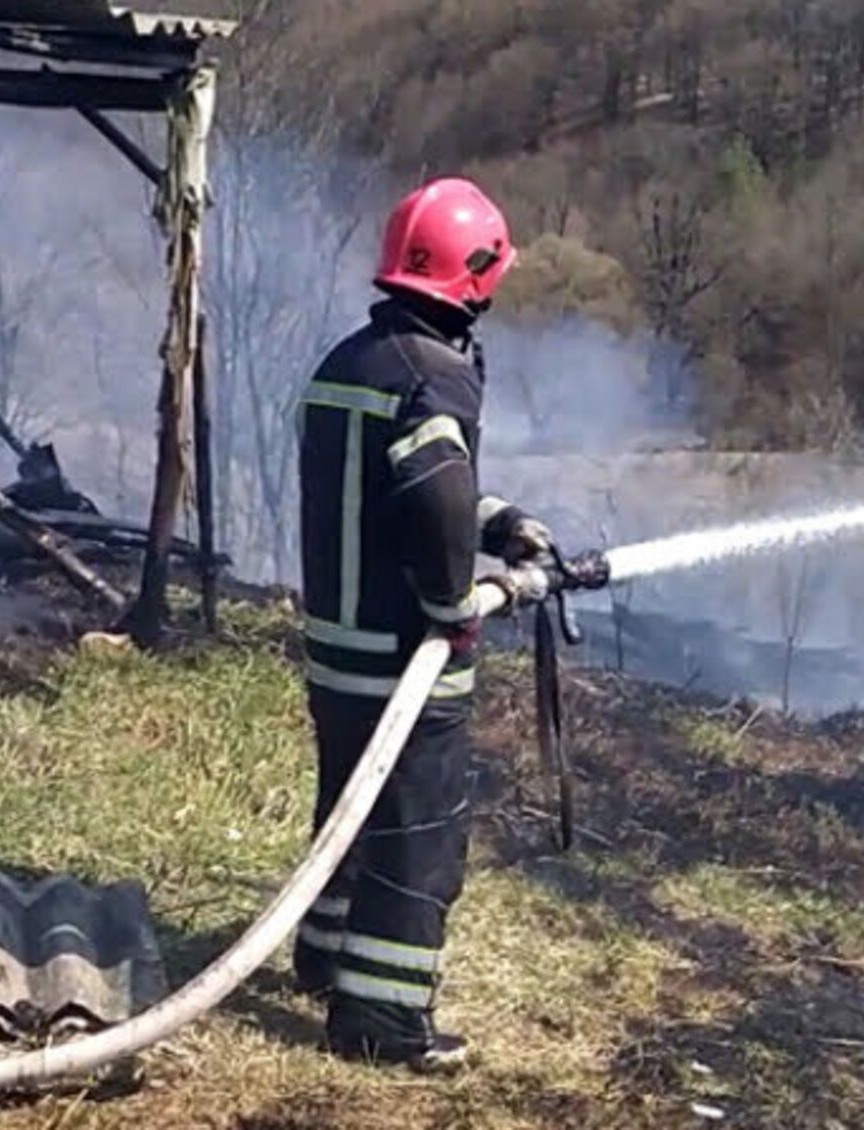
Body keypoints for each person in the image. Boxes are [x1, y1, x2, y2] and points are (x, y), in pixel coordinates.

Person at [292, 175, 554, 1072]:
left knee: (351, 812)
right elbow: (433, 494)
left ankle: (324, 955)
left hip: (338, 649)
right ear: (474, 274)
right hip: (406, 658)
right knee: (420, 837)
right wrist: (466, 601)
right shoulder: (436, 378)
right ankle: (383, 1020)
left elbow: (400, 486)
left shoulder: (354, 361)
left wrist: (503, 522)